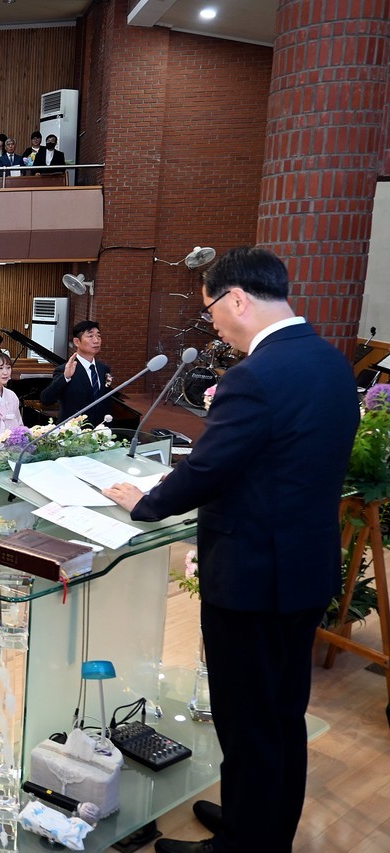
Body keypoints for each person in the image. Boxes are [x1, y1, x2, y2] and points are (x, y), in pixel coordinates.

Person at [103, 247, 359, 853]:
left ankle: (245, 845)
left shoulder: (255, 376)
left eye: (211, 310)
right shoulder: (330, 361)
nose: (212, 324)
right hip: (303, 568)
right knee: (280, 715)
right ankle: (261, 826)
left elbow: (210, 468)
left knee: (248, 721)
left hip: (253, 577)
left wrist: (144, 501)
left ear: (237, 299)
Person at [39, 320, 112, 425]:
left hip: (100, 429)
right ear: (77, 342)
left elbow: (106, 402)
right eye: (90, 336)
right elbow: (46, 399)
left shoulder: (103, 369)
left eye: (98, 336)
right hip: (74, 430)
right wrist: (65, 377)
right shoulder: (65, 369)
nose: (96, 340)